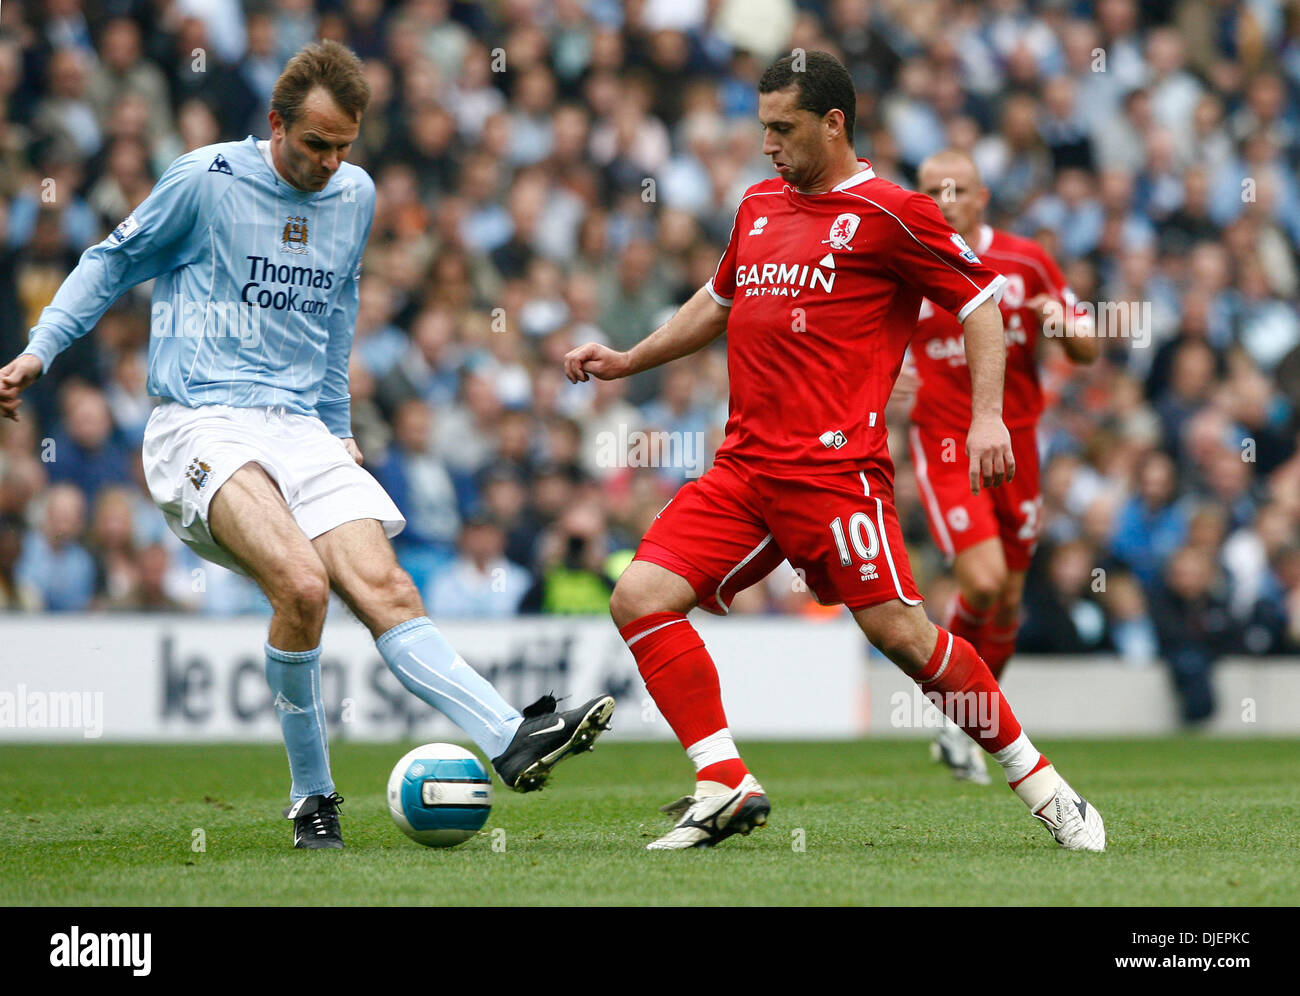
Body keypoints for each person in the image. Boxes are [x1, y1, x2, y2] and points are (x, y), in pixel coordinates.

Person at [0, 41, 613, 850]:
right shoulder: (205, 180)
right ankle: (311, 797)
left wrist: (340, 429)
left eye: (344, 146)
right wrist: (38, 351)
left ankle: (511, 736)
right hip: (201, 421)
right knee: (302, 586)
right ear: (275, 122)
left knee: (385, 587)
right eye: (315, 143)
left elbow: (335, 314)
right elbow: (110, 262)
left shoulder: (355, 194)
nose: (329, 162)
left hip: (301, 428)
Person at [564, 51, 1104, 851]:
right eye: (761, 129)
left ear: (833, 122)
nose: (768, 145)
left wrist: (986, 418)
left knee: (906, 640)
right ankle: (722, 780)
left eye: (782, 129)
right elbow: (717, 304)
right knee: (639, 595)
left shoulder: (894, 213)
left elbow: (981, 304)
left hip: (835, 476)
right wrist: (627, 359)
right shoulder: (756, 205)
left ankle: (1046, 787)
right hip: (745, 469)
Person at [903, 148, 1098, 783]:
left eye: (956, 188)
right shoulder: (904, 261)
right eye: (931, 189)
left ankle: (963, 727)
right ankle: (957, 715)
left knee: (1009, 601)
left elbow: (1088, 346)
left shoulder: (1026, 260)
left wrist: (1060, 322)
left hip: (1019, 446)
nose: (944, 199)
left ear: (982, 197)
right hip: (948, 445)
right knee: (982, 582)